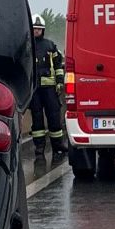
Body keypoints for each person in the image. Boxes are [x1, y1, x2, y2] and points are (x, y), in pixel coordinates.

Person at [29, 14, 66, 159]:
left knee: (54, 116)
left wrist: (59, 82)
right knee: (37, 119)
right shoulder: (27, 46)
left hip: (50, 89)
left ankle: (58, 146)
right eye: (34, 29)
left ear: (43, 30)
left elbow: (58, 66)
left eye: (39, 29)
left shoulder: (50, 45)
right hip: (35, 89)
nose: (37, 31)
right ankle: (39, 147)